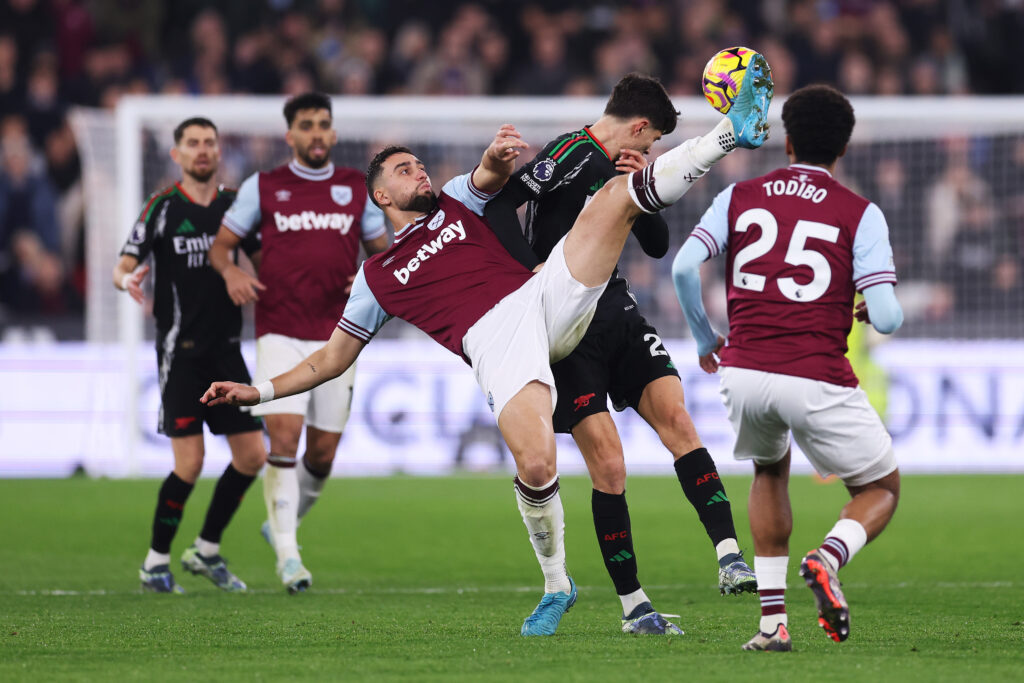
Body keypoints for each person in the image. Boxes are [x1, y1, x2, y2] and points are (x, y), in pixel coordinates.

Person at [202, 53, 772, 636]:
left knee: (613, 198)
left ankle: (731, 131)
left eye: (418, 163)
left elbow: (489, 181)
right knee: (537, 463)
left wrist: (496, 157)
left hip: (539, 295)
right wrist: (260, 391)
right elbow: (330, 359)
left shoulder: (454, 199)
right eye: (403, 170)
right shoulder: (376, 279)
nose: (418, 173)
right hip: (496, 344)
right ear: (380, 196)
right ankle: (558, 585)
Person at [484, 73, 756, 636]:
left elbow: (656, 246)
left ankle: (730, 556)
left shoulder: (627, 167)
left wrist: (641, 187)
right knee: (609, 464)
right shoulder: (567, 152)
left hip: (619, 312)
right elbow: (500, 204)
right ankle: (635, 607)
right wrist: (526, 269)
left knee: (678, 419)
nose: (652, 152)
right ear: (637, 127)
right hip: (566, 329)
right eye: (652, 142)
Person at [671, 84, 904, 652]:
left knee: (769, 472)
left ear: (788, 140)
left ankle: (773, 626)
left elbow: (683, 268)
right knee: (881, 488)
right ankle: (828, 558)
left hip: (743, 371)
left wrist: (706, 338)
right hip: (815, 373)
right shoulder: (860, 213)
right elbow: (891, 319)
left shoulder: (740, 194)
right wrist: (873, 305)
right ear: (843, 149)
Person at [208, 92, 389, 594]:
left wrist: (367, 279)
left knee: (323, 455)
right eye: (306, 125)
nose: (316, 133)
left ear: (333, 134)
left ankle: (282, 524)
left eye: (323, 124)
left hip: (337, 337)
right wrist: (232, 275)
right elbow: (223, 247)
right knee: (283, 439)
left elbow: (381, 254)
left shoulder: (356, 187)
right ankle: (289, 556)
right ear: (291, 136)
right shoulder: (263, 187)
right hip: (280, 329)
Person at [113, 117, 267, 594]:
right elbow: (124, 263)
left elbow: (267, 262)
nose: (202, 150)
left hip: (227, 352)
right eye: (193, 143)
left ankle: (206, 549)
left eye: (209, 143)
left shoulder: (235, 205)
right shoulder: (161, 207)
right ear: (177, 154)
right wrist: (128, 280)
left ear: (219, 152)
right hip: (180, 353)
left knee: (252, 456)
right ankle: (155, 562)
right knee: (190, 464)